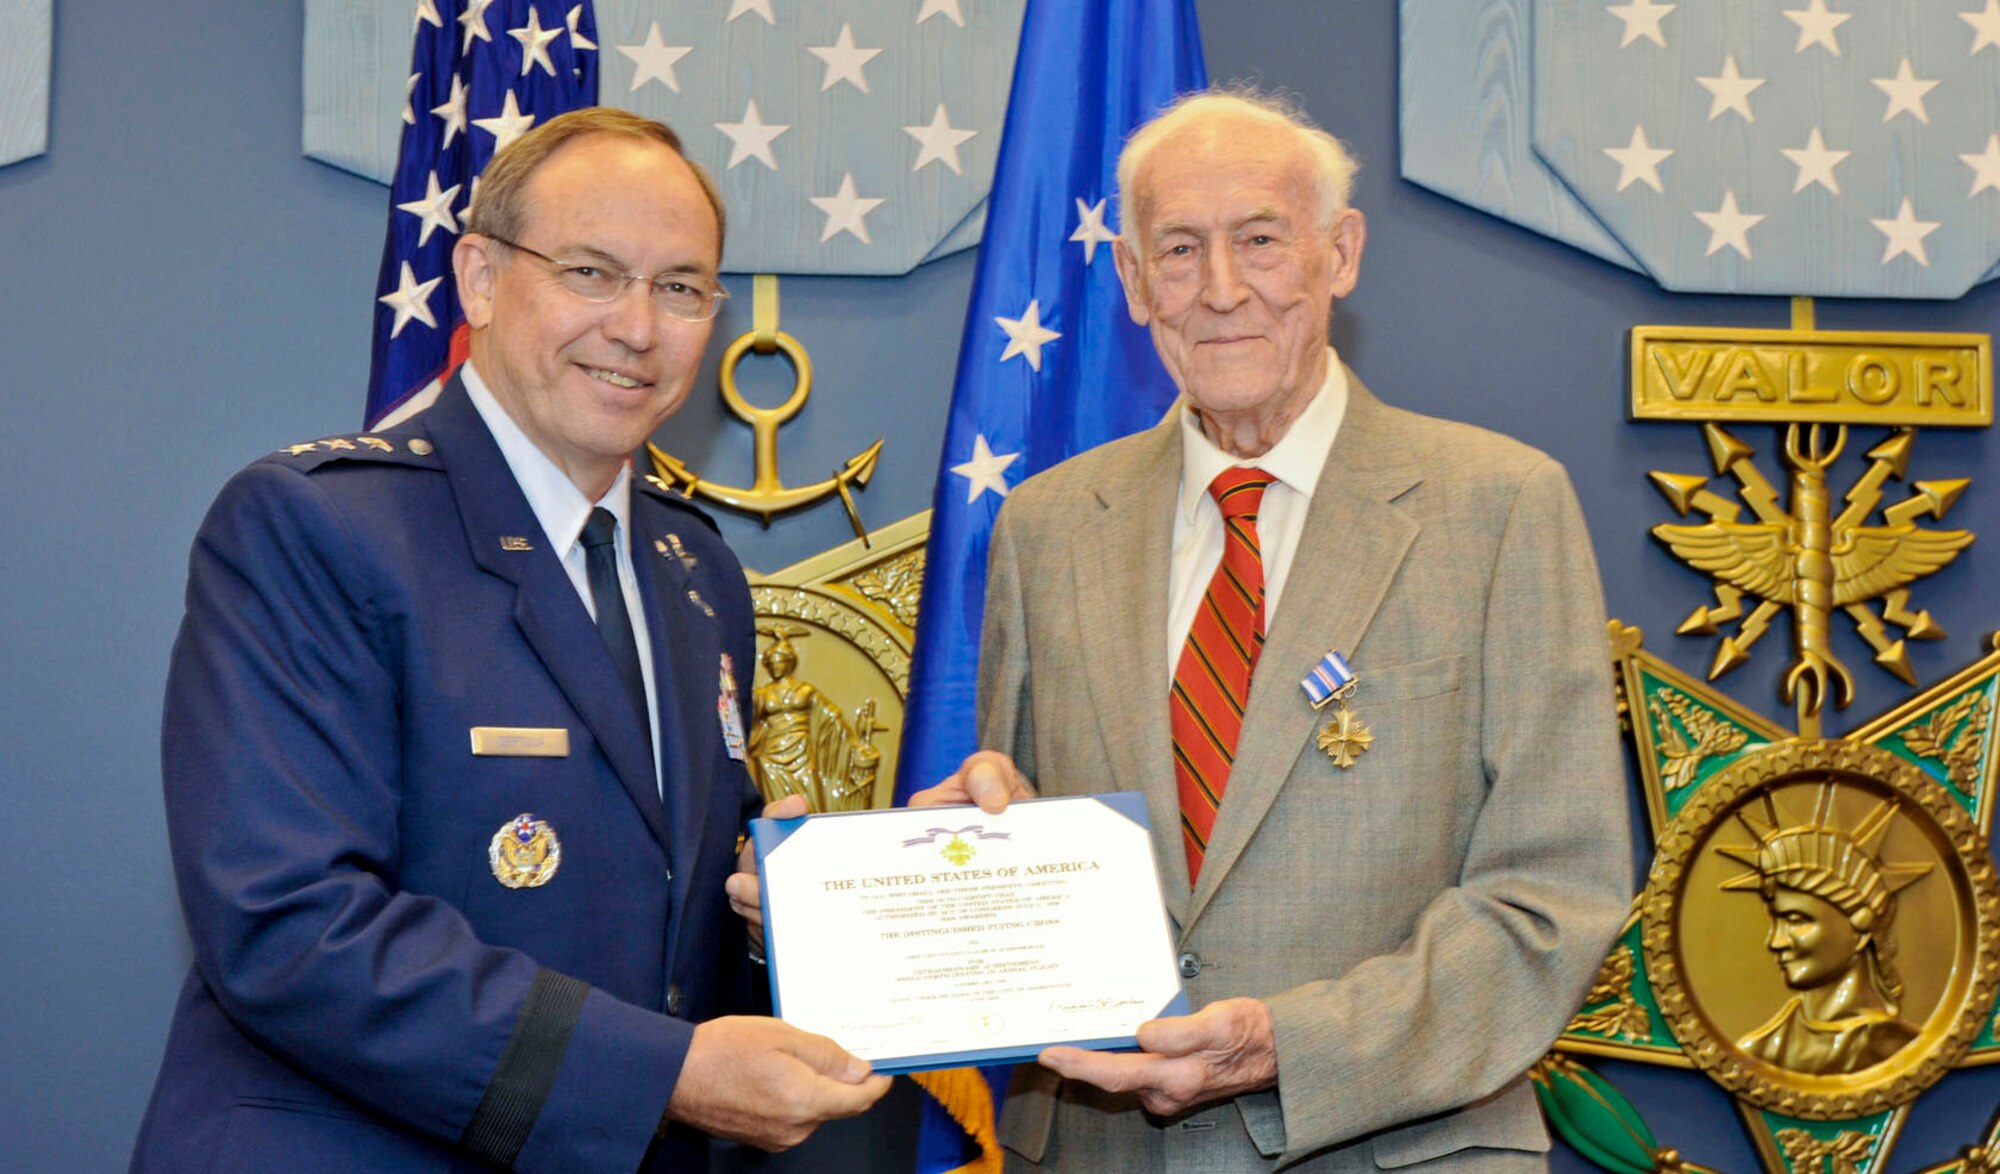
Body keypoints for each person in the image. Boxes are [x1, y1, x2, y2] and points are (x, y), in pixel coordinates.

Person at [129, 108, 888, 1174]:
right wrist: (657, 1077)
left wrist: (857, 891)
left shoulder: (695, 570)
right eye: (590, 272)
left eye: (679, 287)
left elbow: (668, 915)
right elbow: (289, 924)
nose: (637, 326)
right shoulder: (314, 527)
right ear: (480, 279)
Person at [898, 90, 1631, 1169]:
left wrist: (1285, 1045)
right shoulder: (1046, 526)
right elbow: (1024, 838)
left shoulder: (1498, 506)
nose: (1221, 289)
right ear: (1135, 282)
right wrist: (960, 855)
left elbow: (1550, 896)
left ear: (1339, 253)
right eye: (1180, 251)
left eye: (1259, 240)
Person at [1723, 788, 1929, 1074]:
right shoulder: (1760, 1050)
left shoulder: (1902, 1050)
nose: (1775, 941)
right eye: (1776, 921)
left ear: (1859, 930)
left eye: (1797, 919)